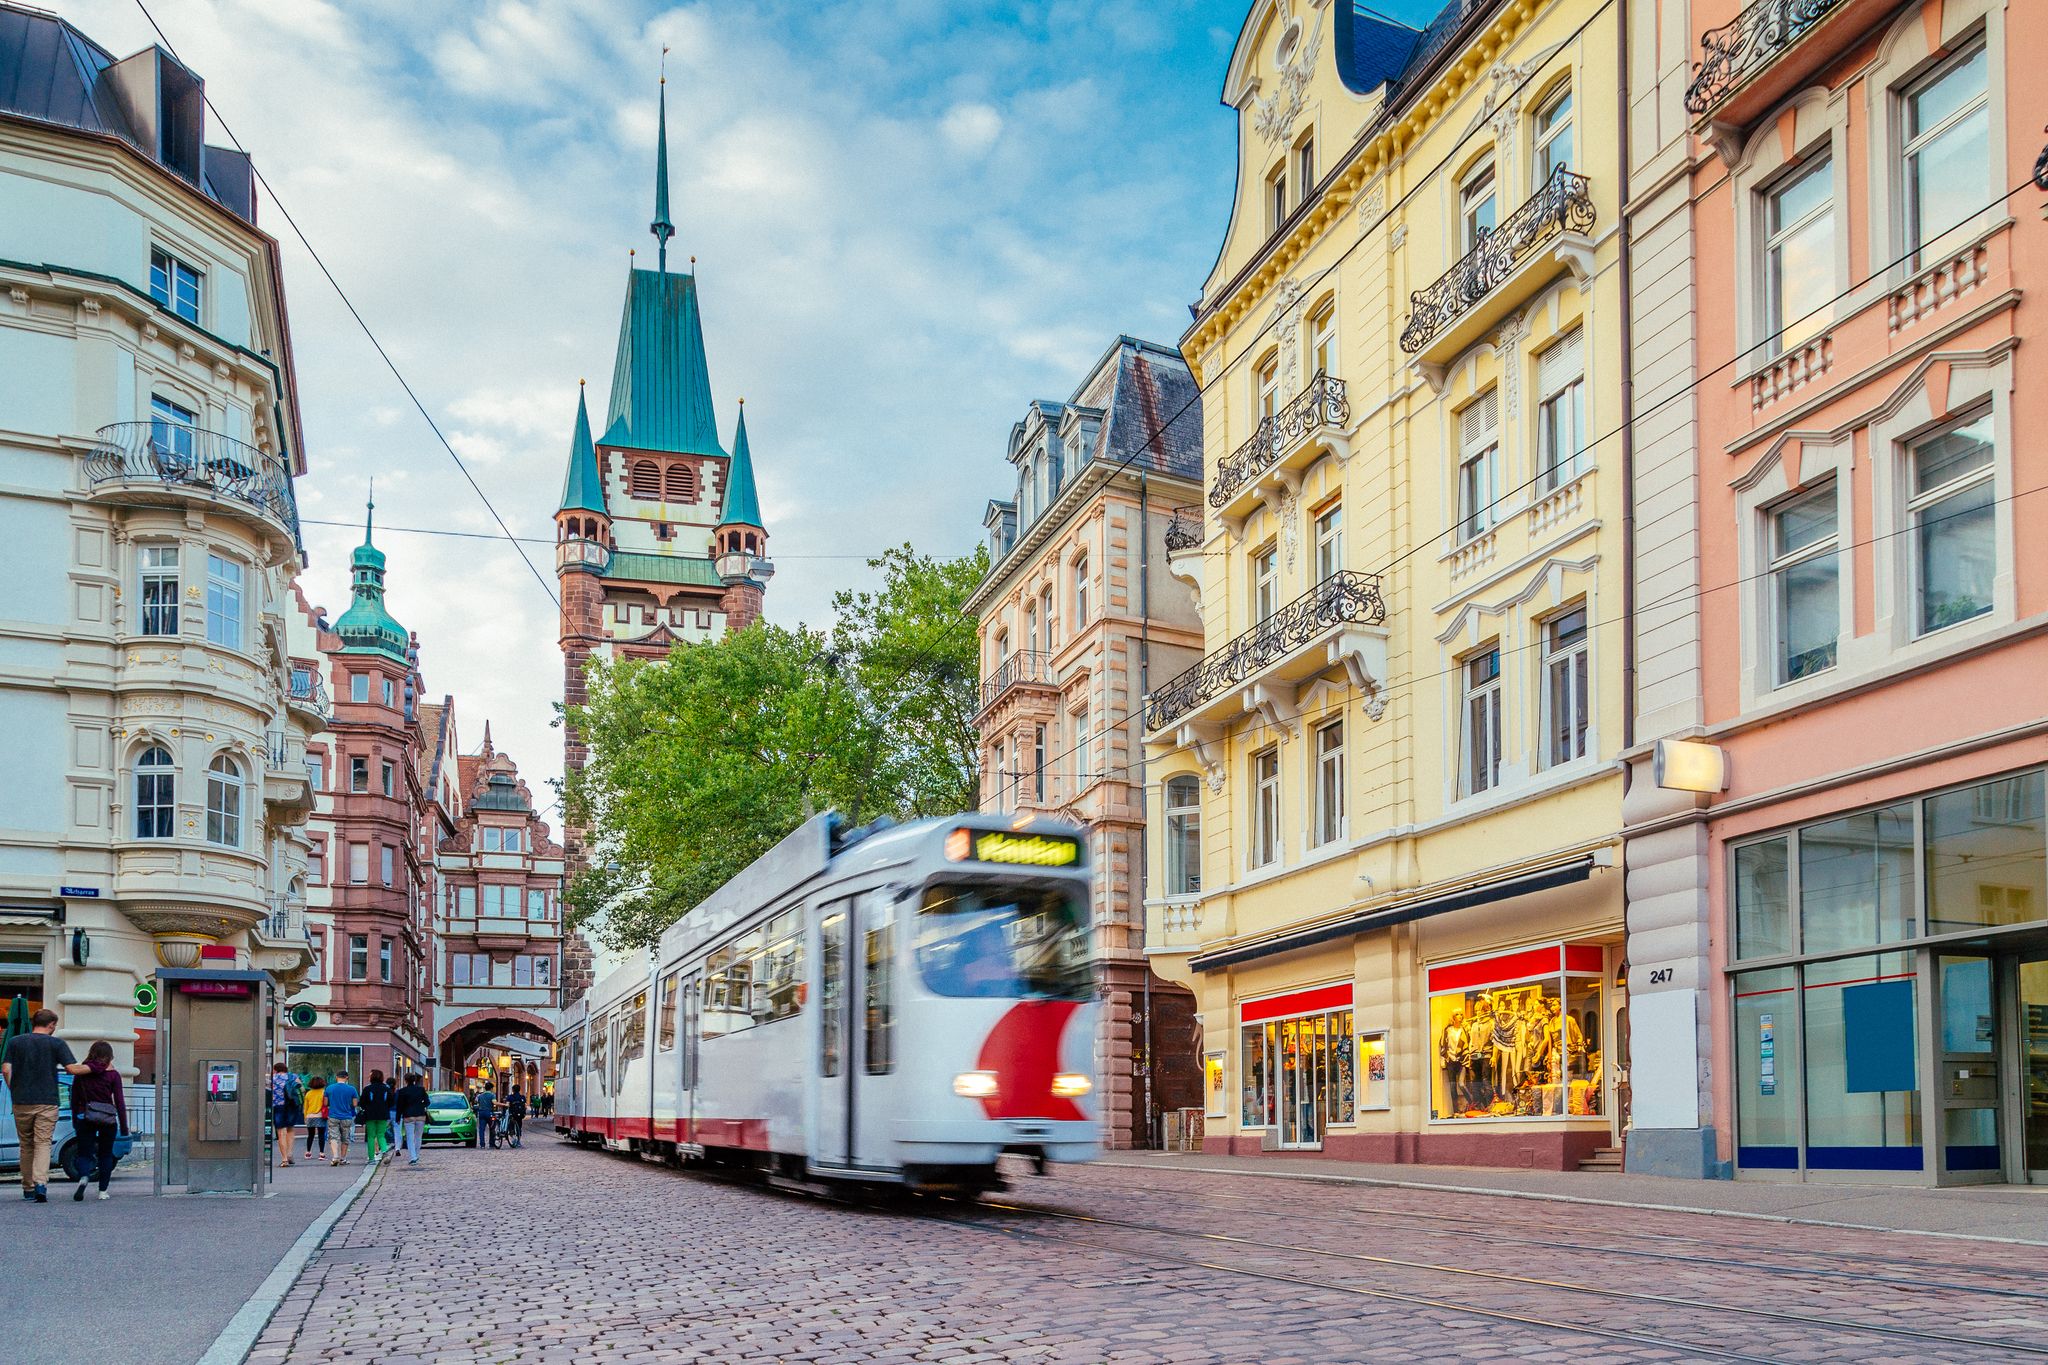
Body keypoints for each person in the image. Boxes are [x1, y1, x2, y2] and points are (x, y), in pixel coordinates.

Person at [2, 1009, 89, 1203]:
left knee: (26, 1145)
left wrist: (13, 1087)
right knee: (42, 1143)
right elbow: (72, 1069)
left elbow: (6, 1069)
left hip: (21, 1101)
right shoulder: (56, 1043)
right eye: (54, 1026)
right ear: (51, 1025)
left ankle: (28, 1187)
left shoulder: (15, 1042)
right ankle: (40, 1183)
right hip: (47, 1101)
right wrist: (95, 1067)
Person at [68, 1041, 127, 1201]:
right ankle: (102, 1191)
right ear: (109, 1056)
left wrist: (75, 1119)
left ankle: (84, 1177)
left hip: (84, 1116)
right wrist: (124, 1125)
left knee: (84, 1152)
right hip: (107, 1119)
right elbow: (120, 1102)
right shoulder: (113, 1075)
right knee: (106, 1154)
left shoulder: (82, 1073)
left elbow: (74, 1099)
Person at [269, 1062, 304, 1167]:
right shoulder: (293, 1076)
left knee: (281, 1132)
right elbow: (301, 1089)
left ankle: (284, 1159)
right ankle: (289, 1153)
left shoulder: (273, 1078)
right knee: (290, 1129)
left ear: (275, 1069)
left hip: (278, 1106)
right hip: (292, 1105)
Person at [393, 1072, 430, 1165]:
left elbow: (399, 1106)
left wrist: (398, 1117)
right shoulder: (421, 1090)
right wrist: (421, 1106)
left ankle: (413, 1157)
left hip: (408, 1116)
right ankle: (416, 1155)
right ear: (414, 1080)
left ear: (405, 1080)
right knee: (418, 1137)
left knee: (410, 1137)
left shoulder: (402, 1091)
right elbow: (427, 1102)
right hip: (420, 1115)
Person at [358, 1069, 394, 1162]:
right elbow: (391, 1102)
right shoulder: (386, 1088)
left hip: (370, 1115)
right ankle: (385, 1152)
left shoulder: (367, 1089)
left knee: (371, 1136)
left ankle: (371, 1158)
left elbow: (362, 1103)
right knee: (381, 1135)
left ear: (372, 1077)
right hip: (383, 1115)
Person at [325, 1071, 358, 1166]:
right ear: (347, 1077)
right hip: (347, 1116)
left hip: (333, 1115)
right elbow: (355, 1104)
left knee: (333, 1136)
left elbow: (325, 1103)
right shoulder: (352, 1089)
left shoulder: (329, 1088)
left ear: (336, 1077)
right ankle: (343, 1158)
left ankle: (335, 1156)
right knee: (345, 1138)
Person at [301, 1074, 328, 1159]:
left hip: (310, 1115)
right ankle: (321, 1153)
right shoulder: (324, 1092)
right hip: (320, 1115)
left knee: (310, 1135)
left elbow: (305, 1107)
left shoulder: (309, 1093)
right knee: (321, 1135)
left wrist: (305, 1117)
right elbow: (326, 1104)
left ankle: (308, 1152)